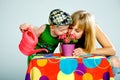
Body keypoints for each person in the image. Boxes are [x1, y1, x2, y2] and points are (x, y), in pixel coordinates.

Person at [68, 10, 120, 76]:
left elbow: (112, 50)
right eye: (70, 28)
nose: (72, 32)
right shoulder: (65, 29)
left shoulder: (94, 28)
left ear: (86, 31)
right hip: (75, 60)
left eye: (77, 31)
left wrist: (87, 51)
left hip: (90, 58)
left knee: (116, 60)